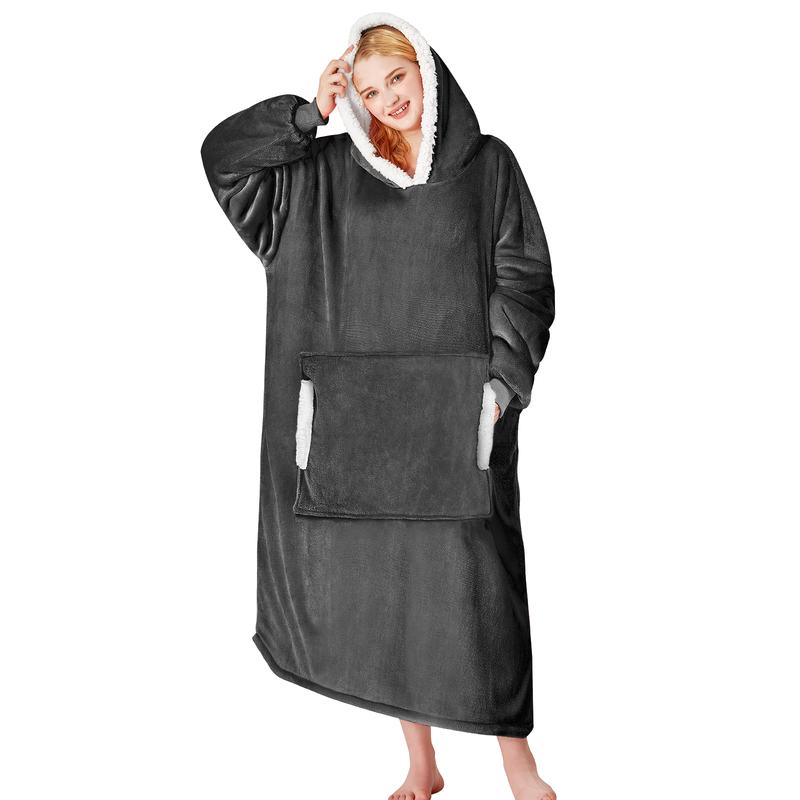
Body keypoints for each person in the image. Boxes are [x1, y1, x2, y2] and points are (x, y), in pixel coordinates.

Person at [200, 12, 556, 800]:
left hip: (460, 421)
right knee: (394, 597)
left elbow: (524, 280)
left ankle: (519, 767)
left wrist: (499, 390)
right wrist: (305, 117)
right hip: (365, 425)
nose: (388, 98)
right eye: (368, 89)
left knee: (485, 598)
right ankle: (423, 766)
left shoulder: (489, 167)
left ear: (425, 70)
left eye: (396, 77)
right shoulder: (321, 176)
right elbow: (224, 160)